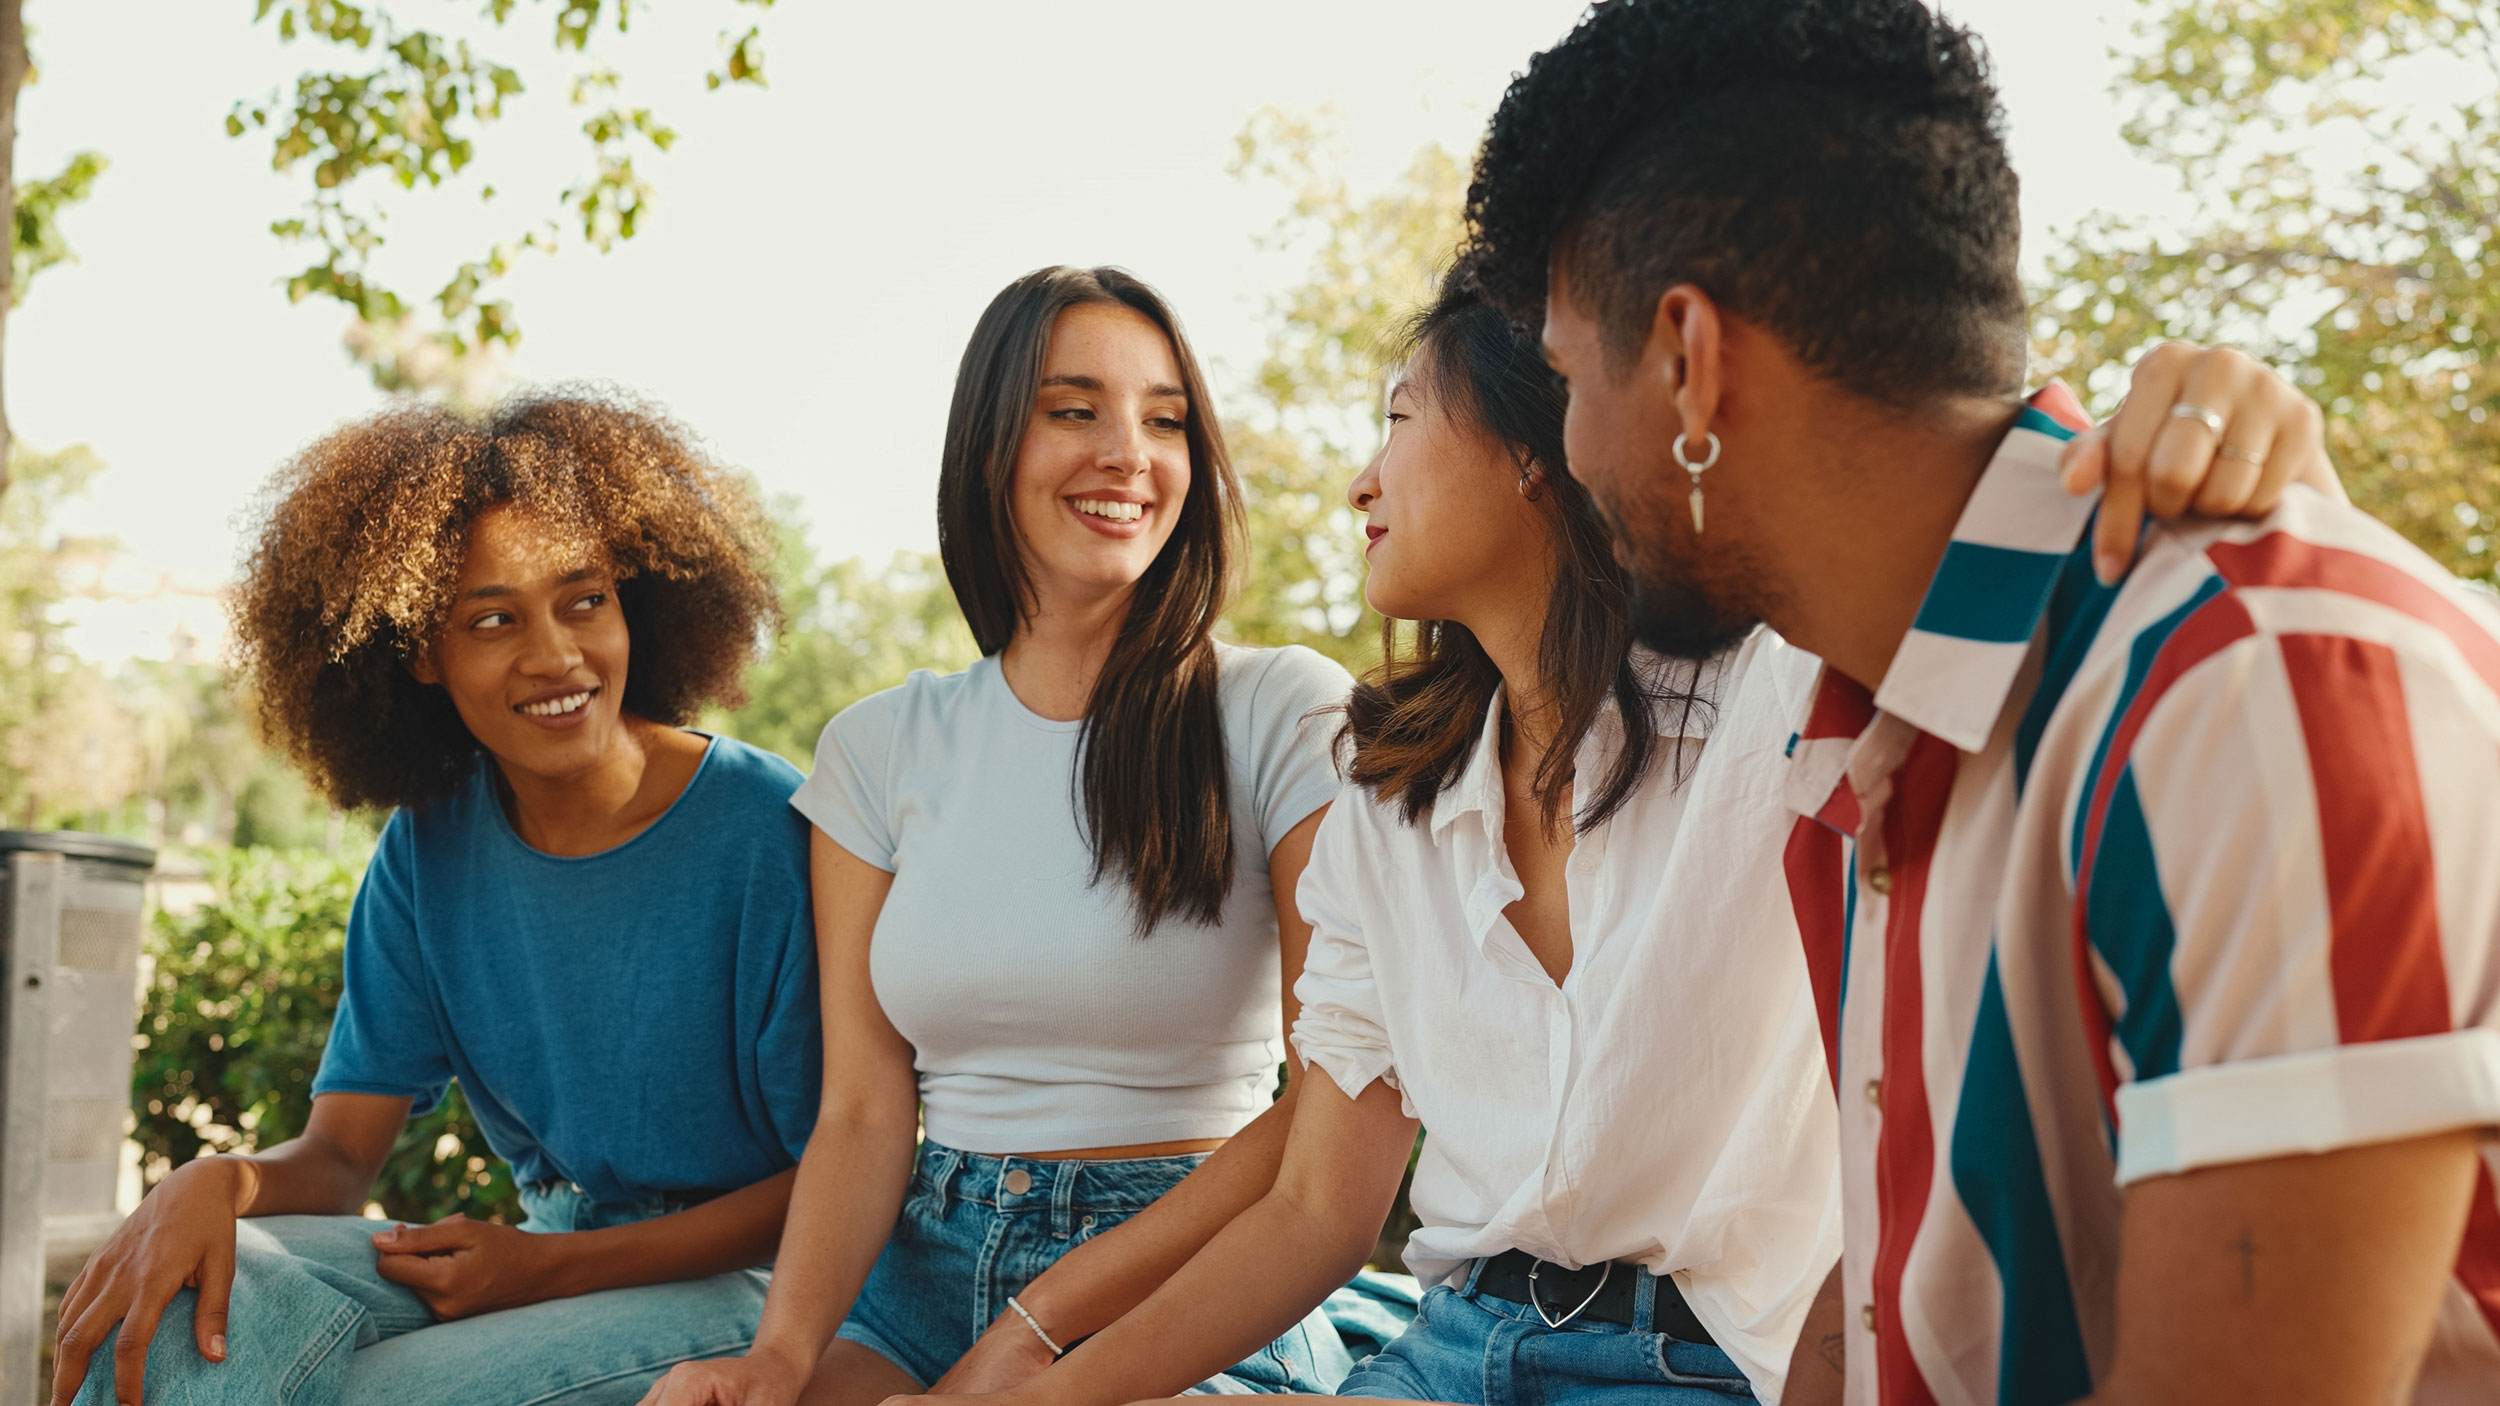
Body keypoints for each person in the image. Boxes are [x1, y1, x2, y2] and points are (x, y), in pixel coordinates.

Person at [858, 271, 2342, 1406]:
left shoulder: (1780, 692)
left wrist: (2216, 400)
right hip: (1445, 1352)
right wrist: (1039, 1389)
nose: (1361, 481)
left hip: (1711, 1367)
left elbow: (1975, 496)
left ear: (1533, 445)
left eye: (1396, 421)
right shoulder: (1387, 789)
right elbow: (1319, 1200)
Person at [1462, 0, 2500, 1400]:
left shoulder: (2239, 688)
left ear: (1691, 359)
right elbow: (1909, 1267)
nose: (1572, 455)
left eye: (1572, 376)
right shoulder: (1852, 750)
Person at [638, 266, 1362, 1406]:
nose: (1129, 451)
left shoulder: (1285, 709)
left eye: (1165, 418)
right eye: (1075, 409)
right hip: (923, 1269)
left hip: (1190, 1269)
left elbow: (1330, 1106)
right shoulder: (878, 747)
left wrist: (1039, 1326)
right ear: (989, 449)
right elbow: (866, 1113)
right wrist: (775, 1355)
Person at [54, 392, 823, 1406]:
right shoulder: (427, 848)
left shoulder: (767, 828)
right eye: (494, 618)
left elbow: (842, 1175)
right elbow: (337, 1159)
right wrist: (213, 1182)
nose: (556, 654)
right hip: (544, 1255)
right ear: (420, 652)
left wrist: (548, 1268)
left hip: (762, 1287)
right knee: (180, 1329)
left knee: (375, 1393)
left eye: (584, 599)